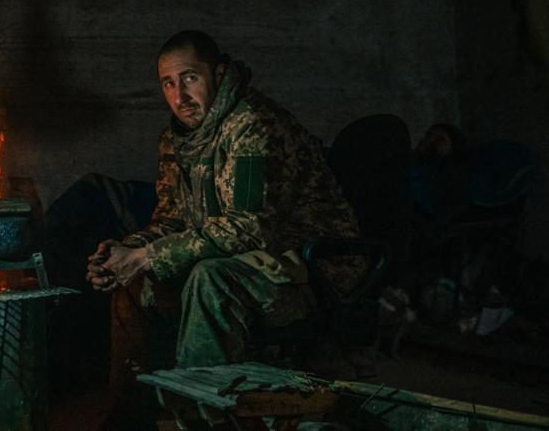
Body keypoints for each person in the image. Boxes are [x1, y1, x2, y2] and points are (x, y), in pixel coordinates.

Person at [86, 30, 362, 430]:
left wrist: (149, 256)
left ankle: (202, 421)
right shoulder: (177, 138)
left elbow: (249, 229)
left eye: (190, 78)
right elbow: (172, 219)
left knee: (208, 279)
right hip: (244, 264)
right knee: (133, 284)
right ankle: (131, 420)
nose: (180, 96)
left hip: (306, 273)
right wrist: (126, 253)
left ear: (218, 74)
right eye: (168, 83)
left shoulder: (252, 125)